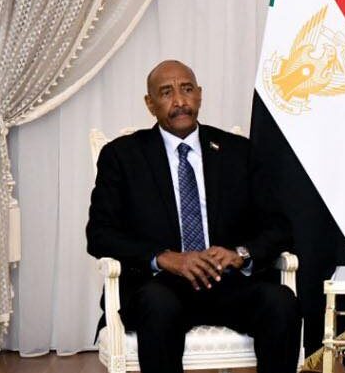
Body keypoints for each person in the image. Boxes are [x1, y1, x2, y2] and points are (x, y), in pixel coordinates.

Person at [86, 60, 300, 373]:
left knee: (281, 302)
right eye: (166, 93)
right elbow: (100, 234)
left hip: (228, 282)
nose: (179, 101)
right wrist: (164, 258)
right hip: (159, 286)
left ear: (199, 95)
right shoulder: (122, 156)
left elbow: (279, 227)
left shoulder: (238, 152)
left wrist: (240, 254)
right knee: (158, 305)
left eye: (187, 89)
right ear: (150, 103)